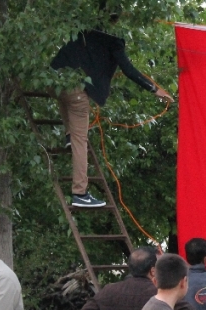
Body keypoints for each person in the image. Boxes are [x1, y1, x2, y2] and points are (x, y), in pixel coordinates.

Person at [50, 6, 173, 208]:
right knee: (81, 139)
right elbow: (128, 70)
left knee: (65, 98)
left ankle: (68, 136)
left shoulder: (83, 28)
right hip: (76, 89)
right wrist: (154, 89)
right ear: (116, 21)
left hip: (51, 79)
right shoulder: (114, 42)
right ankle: (80, 193)